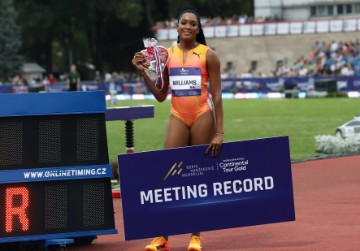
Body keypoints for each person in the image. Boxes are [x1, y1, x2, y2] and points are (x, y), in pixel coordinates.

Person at [132, 7, 224, 251]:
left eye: (192, 24)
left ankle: (195, 236)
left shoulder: (209, 55)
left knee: (197, 175)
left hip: (203, 115)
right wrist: (143, 73)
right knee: (168, 173)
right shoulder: (167, 55)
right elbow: (162, 95)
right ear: (177, 26)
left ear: (198, 28)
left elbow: (217, 95)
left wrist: (220, 132)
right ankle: (163, 236)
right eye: (184, 22)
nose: (187, 27)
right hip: (178, 114)